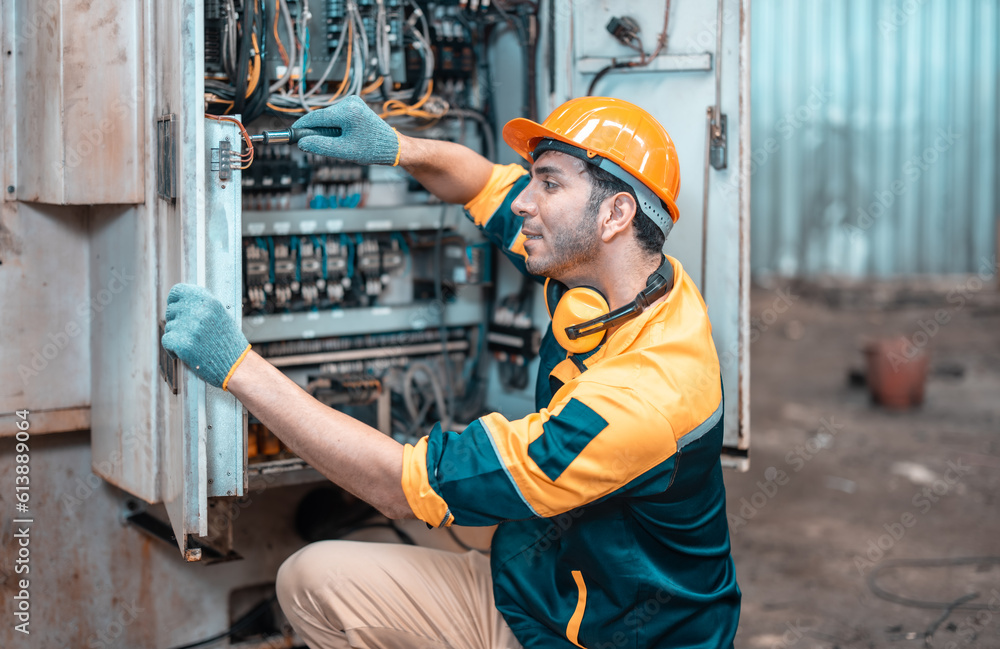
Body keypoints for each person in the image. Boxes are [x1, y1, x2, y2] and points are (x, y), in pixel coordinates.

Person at [162, 95, 740, 649]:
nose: (524, 202)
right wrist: (397, 147)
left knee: (315, 577)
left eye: (549, 184)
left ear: (616, 213)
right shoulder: (623, 278)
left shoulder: (642, 400)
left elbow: (398, 487)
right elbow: (484, 183)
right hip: (546, 588)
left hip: (603, 637)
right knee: (330, 572)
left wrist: (237, 367)